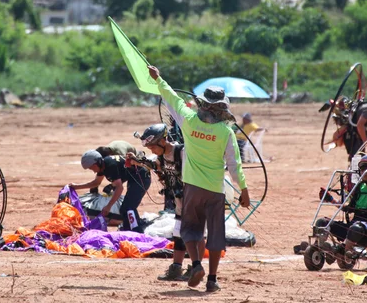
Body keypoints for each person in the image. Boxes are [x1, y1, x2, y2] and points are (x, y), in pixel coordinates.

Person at [148, 64, 250, 293]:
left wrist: (158, 79)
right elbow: (235, 165)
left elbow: (171, 99)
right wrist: (243, 189)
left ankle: (195, 264)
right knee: (215, 234)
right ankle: (212, 280)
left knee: (190, 229)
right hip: (216, 190)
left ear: (202, 104)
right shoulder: (226, 133)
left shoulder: (189, 121)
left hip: (192, 187)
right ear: (223, 108)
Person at [128, 123, 206, 282]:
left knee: (196, 236)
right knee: (178, 235)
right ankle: (176, 268)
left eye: (153, 147)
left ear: (163, 141)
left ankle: (195, 268)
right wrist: (137, 160)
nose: (152, 150)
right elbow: (155, 165)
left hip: (195, 201)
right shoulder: (162, 156)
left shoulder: (183, 153)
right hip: (180, 203)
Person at [315, 155, 367, 261]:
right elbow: (349, 208)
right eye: (363, 168)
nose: (365, 171)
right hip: (354, 227)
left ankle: (343, 251)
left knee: (355, 228)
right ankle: (319, 248)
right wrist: (330, 199)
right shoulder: (360, 187)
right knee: (322, 222)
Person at [69, 150, 151, 233]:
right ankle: (130, 229)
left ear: (97, 163)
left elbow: (119, 188)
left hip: (141, 179)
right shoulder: (104, 165)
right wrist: (76, 186)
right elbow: (96, 182)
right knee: (126, 208)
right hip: (135, 180)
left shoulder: (110, 165)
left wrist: (109, 206)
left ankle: (136, 231)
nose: (93, 171)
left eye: (92, 168)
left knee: (128, 208)